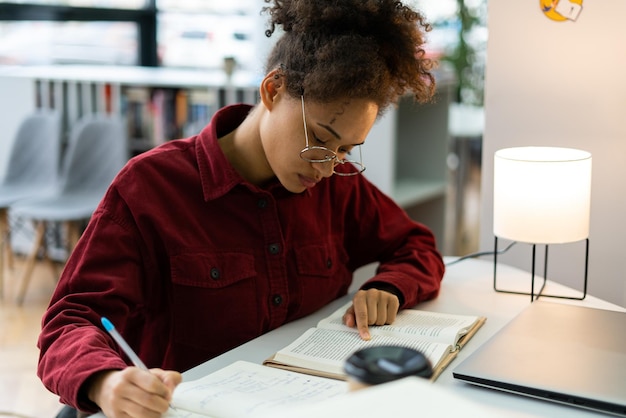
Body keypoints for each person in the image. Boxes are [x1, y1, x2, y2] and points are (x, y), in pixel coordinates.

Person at [38, 1, 445, 417]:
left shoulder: (335, 185)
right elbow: (70, 321)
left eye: (344, 150)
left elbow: (417, 244)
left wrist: (390, 286)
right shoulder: (150, 188)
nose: (326, 167)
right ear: (273, 89)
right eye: (321, 139)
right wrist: (105, 381)